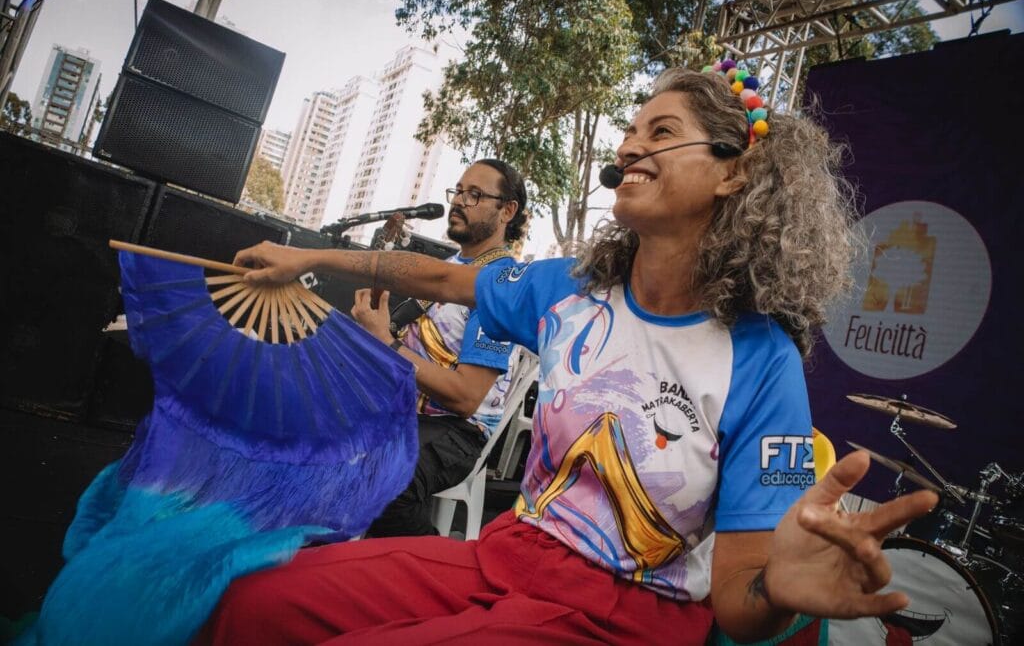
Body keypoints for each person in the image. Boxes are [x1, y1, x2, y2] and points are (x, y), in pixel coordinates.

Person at [204, 65, 938, 645]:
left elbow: (741, 602)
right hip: (506, 556)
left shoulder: (762, 361)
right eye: (629, 131)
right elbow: (436, 276)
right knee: (256, 603)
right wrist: (300, 255)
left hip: (623, 616)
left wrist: (778, 592)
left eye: (661, 131)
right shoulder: (571, 290)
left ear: (732, 172)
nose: (628, 146)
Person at [352, 159, 527, 537]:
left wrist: (386, 341)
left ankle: (443, 575)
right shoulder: (447, 267)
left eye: (475, 195)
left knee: (385, 487)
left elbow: (465, 398)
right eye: (459, 191)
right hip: (401, 411)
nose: (460, 201)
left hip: (456, 429)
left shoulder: (501, 287)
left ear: (507, 211)